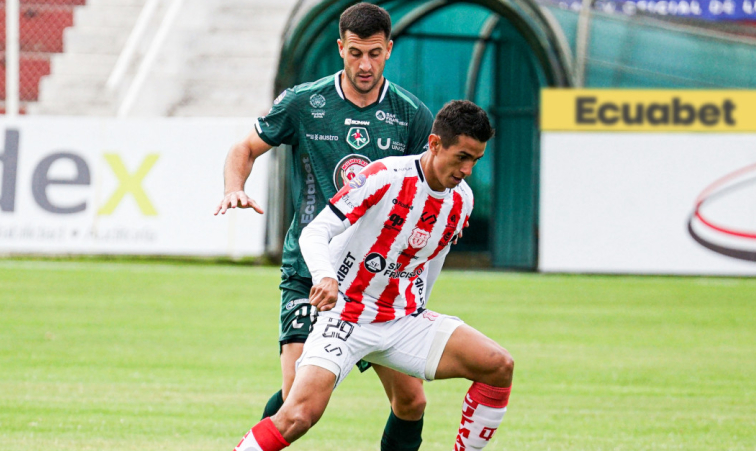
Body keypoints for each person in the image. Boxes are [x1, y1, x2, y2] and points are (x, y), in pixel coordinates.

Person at [231, 100, 514, 451]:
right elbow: (315, 232)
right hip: (346, 314)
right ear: (435, 143)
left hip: (401, 320)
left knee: (497, 366)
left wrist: (419, 309)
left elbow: (433, 259)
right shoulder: (385, 176)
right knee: (299, 415)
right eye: (462, 157)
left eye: (476, 160)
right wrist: (325, 277)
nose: (468, 169)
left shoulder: (462, 201)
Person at [214, 3, 435, 450]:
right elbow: (245, 147)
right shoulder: (305, 102)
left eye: (374, 53)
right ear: (341, 48)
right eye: (355, 53)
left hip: (374, 278)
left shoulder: (411, 115)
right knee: (299, 398)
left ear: (389, 49)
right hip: (309, 269)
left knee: (411, 400)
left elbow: (425, 188)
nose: (365, 64)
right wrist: (233, 187)